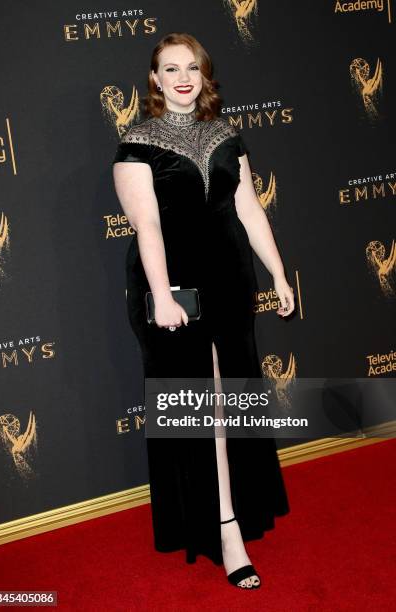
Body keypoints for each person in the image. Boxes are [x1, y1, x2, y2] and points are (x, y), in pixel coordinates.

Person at [113, 32, 295, 590]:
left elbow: (249, 210)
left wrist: (279, 272)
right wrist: (163, 295)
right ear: (155, 79)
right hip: (174, 286)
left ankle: (234, 512)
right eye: (171, 69)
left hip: (229, 279)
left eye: (192, 67)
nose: (183, 77)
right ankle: (224, 526)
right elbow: (147, 227)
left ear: (203, 74)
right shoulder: (137, 143)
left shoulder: (224, 133)